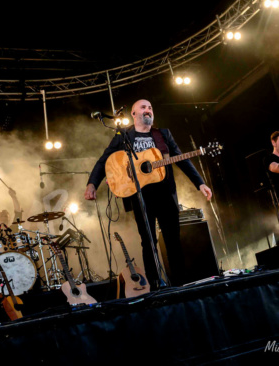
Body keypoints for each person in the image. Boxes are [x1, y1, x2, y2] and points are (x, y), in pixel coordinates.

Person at [84, 99, 212, 288]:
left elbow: (181, 159)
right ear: (134, 114)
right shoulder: (124, 135)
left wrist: (200, 183)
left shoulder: (163, 134)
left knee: (173, 239)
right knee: (148, 241)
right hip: (139, 196)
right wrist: (92, 183)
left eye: (150, 107)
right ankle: (154, 284)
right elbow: (105, 161)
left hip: (165, 193)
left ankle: (180, 284)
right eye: (143, 107)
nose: (148, 110)